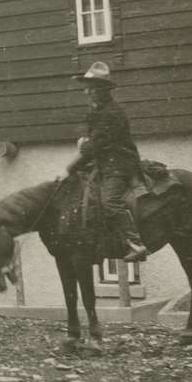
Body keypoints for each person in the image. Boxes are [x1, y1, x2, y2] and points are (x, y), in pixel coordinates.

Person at [71, 62, 148, 262]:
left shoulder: (112, 113)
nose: (87, 92)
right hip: (103, 163)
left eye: (92, 88)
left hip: (119, 165)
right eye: (86, 88)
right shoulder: (96, 112)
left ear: (103, 90)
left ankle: (136, 243)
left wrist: (78, 153)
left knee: (110, 202)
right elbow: (93, 145)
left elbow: (94, 145)